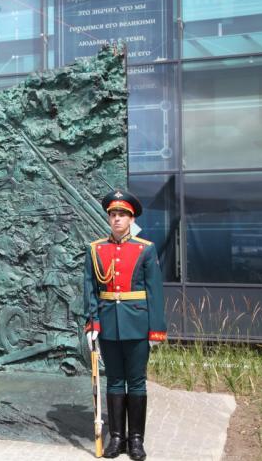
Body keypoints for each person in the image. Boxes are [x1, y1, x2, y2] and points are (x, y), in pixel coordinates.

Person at [84, 189, 166, 460]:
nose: (117, 219)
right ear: (108, 218)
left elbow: (155, 292)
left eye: (122, 215)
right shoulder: (96, 249)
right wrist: (92, 322)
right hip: (107, 324)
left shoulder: (145, 249)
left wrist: (156, 329)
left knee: (137, 382)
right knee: (115, 381)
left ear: (131, 219)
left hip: (137, 323)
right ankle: (117, 438)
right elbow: (90, 288)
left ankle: (136, 441)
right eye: (113, 214)